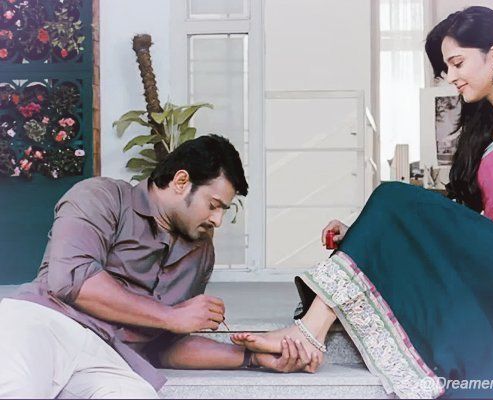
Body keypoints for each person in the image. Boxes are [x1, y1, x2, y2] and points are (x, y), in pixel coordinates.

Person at [231, 7, 493, 398]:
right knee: (394, 211)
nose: (452, 77)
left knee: (392, 196)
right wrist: (365, 235)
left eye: (457, 63)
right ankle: (311, 330)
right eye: (447, 67)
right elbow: (474, 219)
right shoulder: (491, 122)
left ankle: (308, 333)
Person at [0, 134, 317, 399]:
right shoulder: (102, 197)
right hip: (45, 324)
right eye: (213, 205)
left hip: (109, 356)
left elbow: (165, 344)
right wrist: (170, 315)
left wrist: (252, 358)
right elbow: (71, 280)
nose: (217, 220)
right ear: (181, 181)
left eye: (224, 210)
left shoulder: (200, 253)